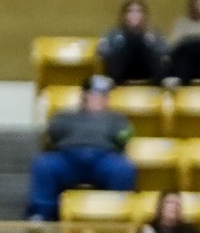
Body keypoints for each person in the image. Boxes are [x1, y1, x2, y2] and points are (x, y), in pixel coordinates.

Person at [27, 76, 135, 221]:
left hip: (103, 160)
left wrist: (121, 135)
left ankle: (115, 217)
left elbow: (126, 137)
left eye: (105, 95)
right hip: (68, 160)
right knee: (44, 164)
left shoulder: (117, 118)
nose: (103, 99)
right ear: (85, 95)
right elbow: (52, 134)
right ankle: (41, 214)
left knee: (123, 169)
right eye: (98, 94)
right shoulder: (65, 115)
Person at [97, 0, 167, 85]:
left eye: (139, 11)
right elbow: (102, 53)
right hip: (120, 77)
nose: (135, 15)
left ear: (145, 15)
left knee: (139, 42)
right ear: (123, 15)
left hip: (149, 76)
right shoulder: (113, 35)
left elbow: (164, 54)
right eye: (130, 11)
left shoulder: (154, 35)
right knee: (130, 42)